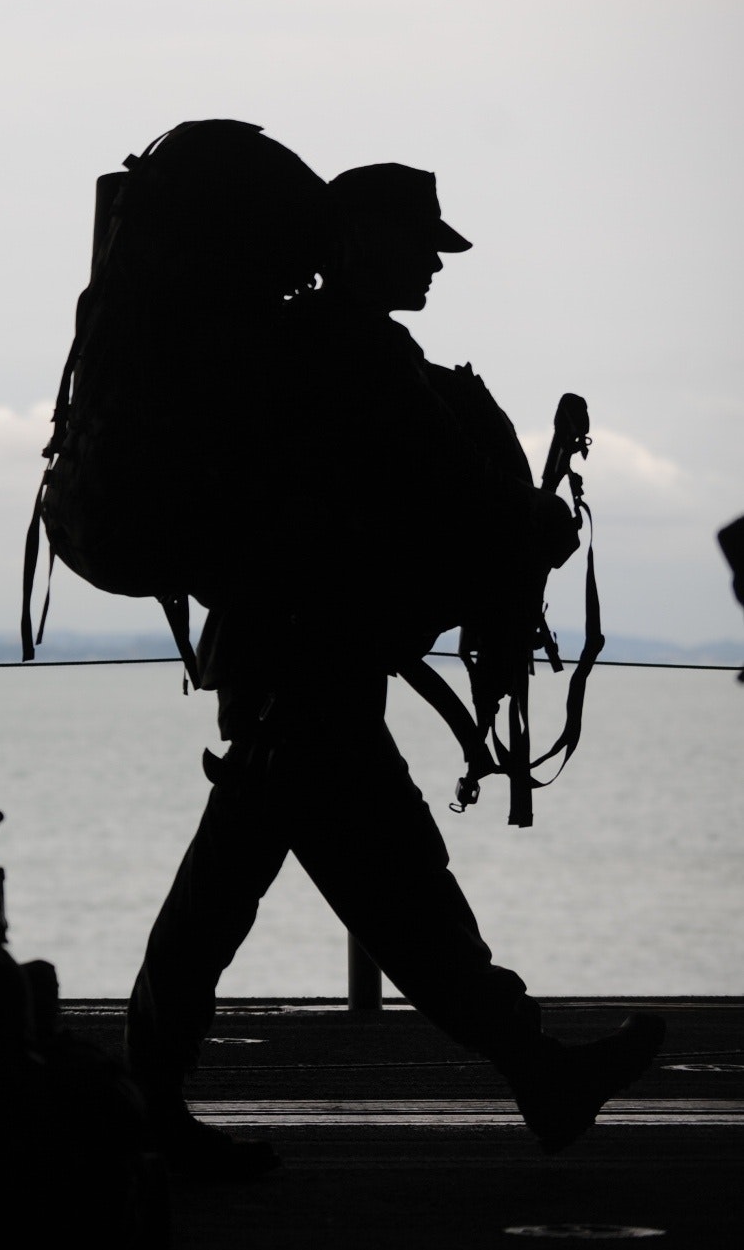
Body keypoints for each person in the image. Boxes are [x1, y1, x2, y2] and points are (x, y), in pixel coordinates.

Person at [123, 161, 665, 1177]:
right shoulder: (356, 351)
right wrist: (543, 521)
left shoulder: (302, 347)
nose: (432, 262)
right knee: (391, 894)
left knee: (286, 891)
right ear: (357, 240)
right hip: (309, 667)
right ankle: (535, 1068)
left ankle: (147, 1094)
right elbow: (455, 493)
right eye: (419, 243)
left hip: (290, 662)